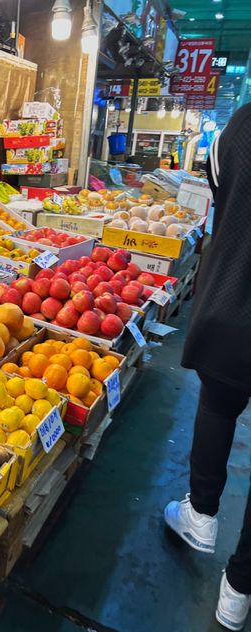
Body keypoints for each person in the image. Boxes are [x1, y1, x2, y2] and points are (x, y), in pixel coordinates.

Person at [164, 103, 251, 631]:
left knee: (219, 404)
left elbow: (219, 186)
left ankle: (201, 516)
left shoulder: (242, 125)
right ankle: (239, 589)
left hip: (235, 297)